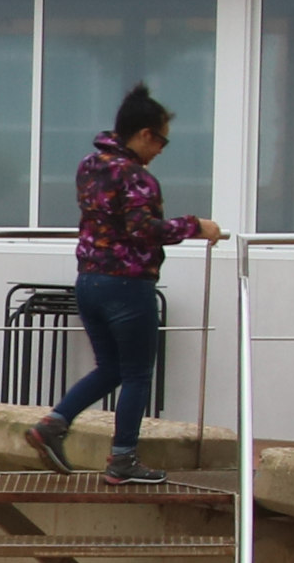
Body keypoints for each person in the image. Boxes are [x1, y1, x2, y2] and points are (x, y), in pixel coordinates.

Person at [24, 87, 223, 481]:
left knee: (110, 367)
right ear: (146, 134)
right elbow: (143, 230)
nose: (162, 150)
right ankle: (123, 459)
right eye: (162, 140)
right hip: (128, 287)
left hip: (89, 282)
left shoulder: (88, 165)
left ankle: (52, 425)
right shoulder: (137, 177)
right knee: (135, 374)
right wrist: (195, 226)